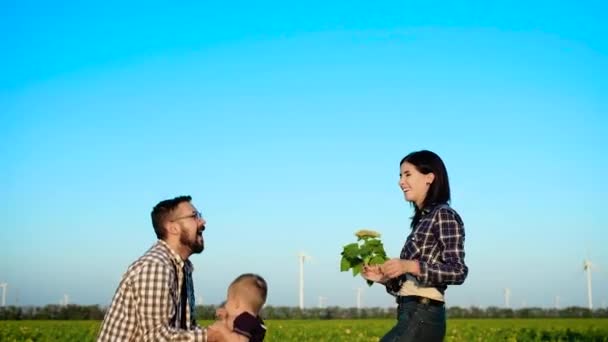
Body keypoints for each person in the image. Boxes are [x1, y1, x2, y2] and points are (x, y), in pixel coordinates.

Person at [362, 150, 468, 342]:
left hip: (423, 313)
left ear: (429, 178)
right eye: (400, 175)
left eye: (408, 174)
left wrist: (410, 265)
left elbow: (458, 271)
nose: (401, 181)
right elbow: (411, 283)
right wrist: (384, 278)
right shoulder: (422, 221)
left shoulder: (443, 215)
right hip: (410, 310)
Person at [98, 195, 223, 341]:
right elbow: (156, 337)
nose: (202, 221)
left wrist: (226, 332)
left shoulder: (182, 267)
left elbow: (185, 329)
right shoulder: (156, 266)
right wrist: (213, 336)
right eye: (194, 216)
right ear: (173, 227)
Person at [209, 273, 268, 342]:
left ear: (236, 303)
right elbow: (232, 331)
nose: (225, 305)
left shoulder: (246, 319)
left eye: (228, 300)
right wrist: (224, 320)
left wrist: (221, 329)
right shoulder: (254, 321)